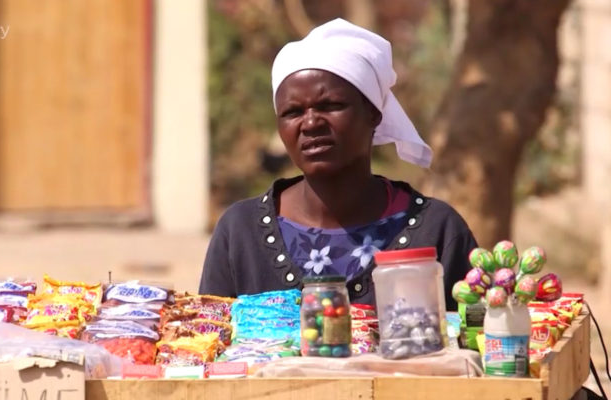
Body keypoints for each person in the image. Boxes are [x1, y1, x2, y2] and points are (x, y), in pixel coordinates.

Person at [199, 18, 477, 310]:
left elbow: (480, 343)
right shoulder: (241, 232)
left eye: (330, 106)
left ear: (373, 113)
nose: (310, 123)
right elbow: (206, 340)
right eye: (293, 112)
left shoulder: (436, 231)